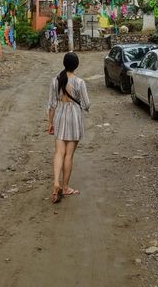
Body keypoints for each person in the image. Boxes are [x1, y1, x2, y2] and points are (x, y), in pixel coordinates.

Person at [47, 52, 90, 203]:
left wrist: (50, 123)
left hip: (60, 115)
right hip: (74, 118)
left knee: (59, 152)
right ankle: (65, 187)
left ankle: (55, 182)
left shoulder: (55, 81)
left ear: (64, 63)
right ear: (76, 65)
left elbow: (52, 104)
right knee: (69, 155)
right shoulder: (79, 82)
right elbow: (86, 104)